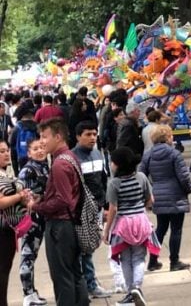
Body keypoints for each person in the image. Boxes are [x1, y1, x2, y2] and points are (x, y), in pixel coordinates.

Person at [30, 118, 89, 306]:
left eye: (44, 136)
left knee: (62, 277)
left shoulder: (59, 164)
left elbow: (64, 200)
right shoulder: (69, 157)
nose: (41, 141)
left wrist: (37, 206)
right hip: (70, 224)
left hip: (60, 226)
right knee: (75, 273)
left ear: (58, 136)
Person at [103, 147, 157, 306]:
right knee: (139, 257)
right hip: (141, 220)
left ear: (118, 165)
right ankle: (137, 287)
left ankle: (129, 291)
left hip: (123, 224)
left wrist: (107, 231)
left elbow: (113, 208)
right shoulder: (141, 177)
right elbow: (150, 200)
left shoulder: (114, 183)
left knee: (125, 259)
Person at [138, 124, 191, 272]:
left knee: (161, 228)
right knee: (176, 229)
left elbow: (141, 175)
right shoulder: (174, 154)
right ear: (167, 137)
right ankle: (174, 260)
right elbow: (183, 176)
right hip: (175, 195)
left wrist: (149, 192)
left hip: (158, 194)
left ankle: (153, 260)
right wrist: (188, 189)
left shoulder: (148, 154)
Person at [70, 122, 112, 299]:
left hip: (97, 208)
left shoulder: (97, 153)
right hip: (81, 211)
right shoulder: (72, 157)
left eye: (95, 134)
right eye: (88, 134)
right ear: (78, 136)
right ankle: (88, 285)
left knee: (90, 248)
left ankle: (89, 284)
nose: (93, 137)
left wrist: (106, 205)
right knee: (83, 250)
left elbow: (103, 180)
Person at [18, 138, 49, 306]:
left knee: (32, 255)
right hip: (31, 220)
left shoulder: (44, 167)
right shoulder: (27, 171)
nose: (40, 151)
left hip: (41, 219)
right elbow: (24, 196)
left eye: (42, 147)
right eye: (35, 148)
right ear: (29, 153)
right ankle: (27, 295)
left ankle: (32, 291)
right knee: (27, 256)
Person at [0, 141, 32, 306]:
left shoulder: (6, 173)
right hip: (2, 231)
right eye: (1, 151)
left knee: (5, 269)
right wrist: (19, 197)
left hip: (9, 231)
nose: (6, 154)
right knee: (2, 271)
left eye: (7, 150)